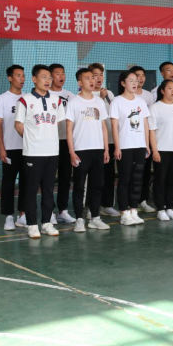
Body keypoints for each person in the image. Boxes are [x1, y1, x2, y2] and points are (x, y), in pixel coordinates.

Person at [14, 65, 65, 239]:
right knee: (30, 190)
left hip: (52, 152)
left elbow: (57, 123)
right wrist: (31, 139)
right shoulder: (25, 100)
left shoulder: (57, 101)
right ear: (34, 79)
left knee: (49, 190)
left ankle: (46, 223)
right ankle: (31, 224)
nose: (48, 80)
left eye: (49, 77)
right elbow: (18, 125)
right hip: (33, 153)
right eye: (44, 77)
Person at [66, 68, 111, 232]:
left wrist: (106, 149)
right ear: (79, 82)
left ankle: (95, 218)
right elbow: (69, 129)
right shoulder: (73, 102)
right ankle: (79, 219)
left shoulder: (99, 101)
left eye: (93, 77)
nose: (92, 80)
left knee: (97, 185)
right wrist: (72, 152)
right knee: (79, 186)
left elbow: (103, 127)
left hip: (98, 150)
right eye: (87, 78)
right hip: (80, 150)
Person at [111, 70, 151, 226]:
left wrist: (146, 144)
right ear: (123, 83)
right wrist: (117, 147)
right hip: (125, 147)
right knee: (124, 180)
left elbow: (145, 124)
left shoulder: (141, 102)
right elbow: (114, 127)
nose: (135, 83)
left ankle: (134, 210)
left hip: (139, 146)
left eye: (137, 80)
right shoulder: (117, 102)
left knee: (137, 180)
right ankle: (124, 212)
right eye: (131, 80)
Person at [149, 80, 173, 221]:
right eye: (170, 88)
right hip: (162, 149)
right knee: (160, 180)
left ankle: (170, 207)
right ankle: (161, 209)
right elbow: (151, 131)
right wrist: (155, 151)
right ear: (162, 91)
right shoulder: (155, 107)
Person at [0, 65, 27, 231]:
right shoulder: (2, 99)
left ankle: (22, 215)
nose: (22, 79)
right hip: (10, 149)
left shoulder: (28, 99)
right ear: (10, 78)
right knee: (8, 182)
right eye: (18, 75)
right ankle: (8, 216)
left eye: (23, 76)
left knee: (26, 183)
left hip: (27, 149)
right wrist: (1, 148)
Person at [90, 63, 121, 218]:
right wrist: (100, 99)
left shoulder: (110, 93)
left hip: (109, 140)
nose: (99, 78)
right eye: (95, 75)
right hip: (94, 143)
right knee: (95, 177)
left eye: (101, 74)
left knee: (109, 175)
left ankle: (107, 205)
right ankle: (92, 206)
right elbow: (93, 116)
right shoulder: (87, 95)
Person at [49, 63, 76, 225]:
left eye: (63, 73)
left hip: (66, 141)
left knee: (65, 177)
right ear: (51, 76)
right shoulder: (45, 95)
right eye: (57, 73)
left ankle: (63, 210)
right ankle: (50, 211)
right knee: (49, 178)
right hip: (50, 142)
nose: (61, 77)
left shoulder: (70, 96)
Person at [130, 65, 157, 213]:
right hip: (131, 140)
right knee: (131, 173)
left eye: (142, 75)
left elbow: (150, 119)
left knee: (145, 172)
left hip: (145, 139)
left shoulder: (149, 95)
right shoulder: (127, 95)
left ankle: (143, 200)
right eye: (137, 76)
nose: (140, 79)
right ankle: (130, 202)